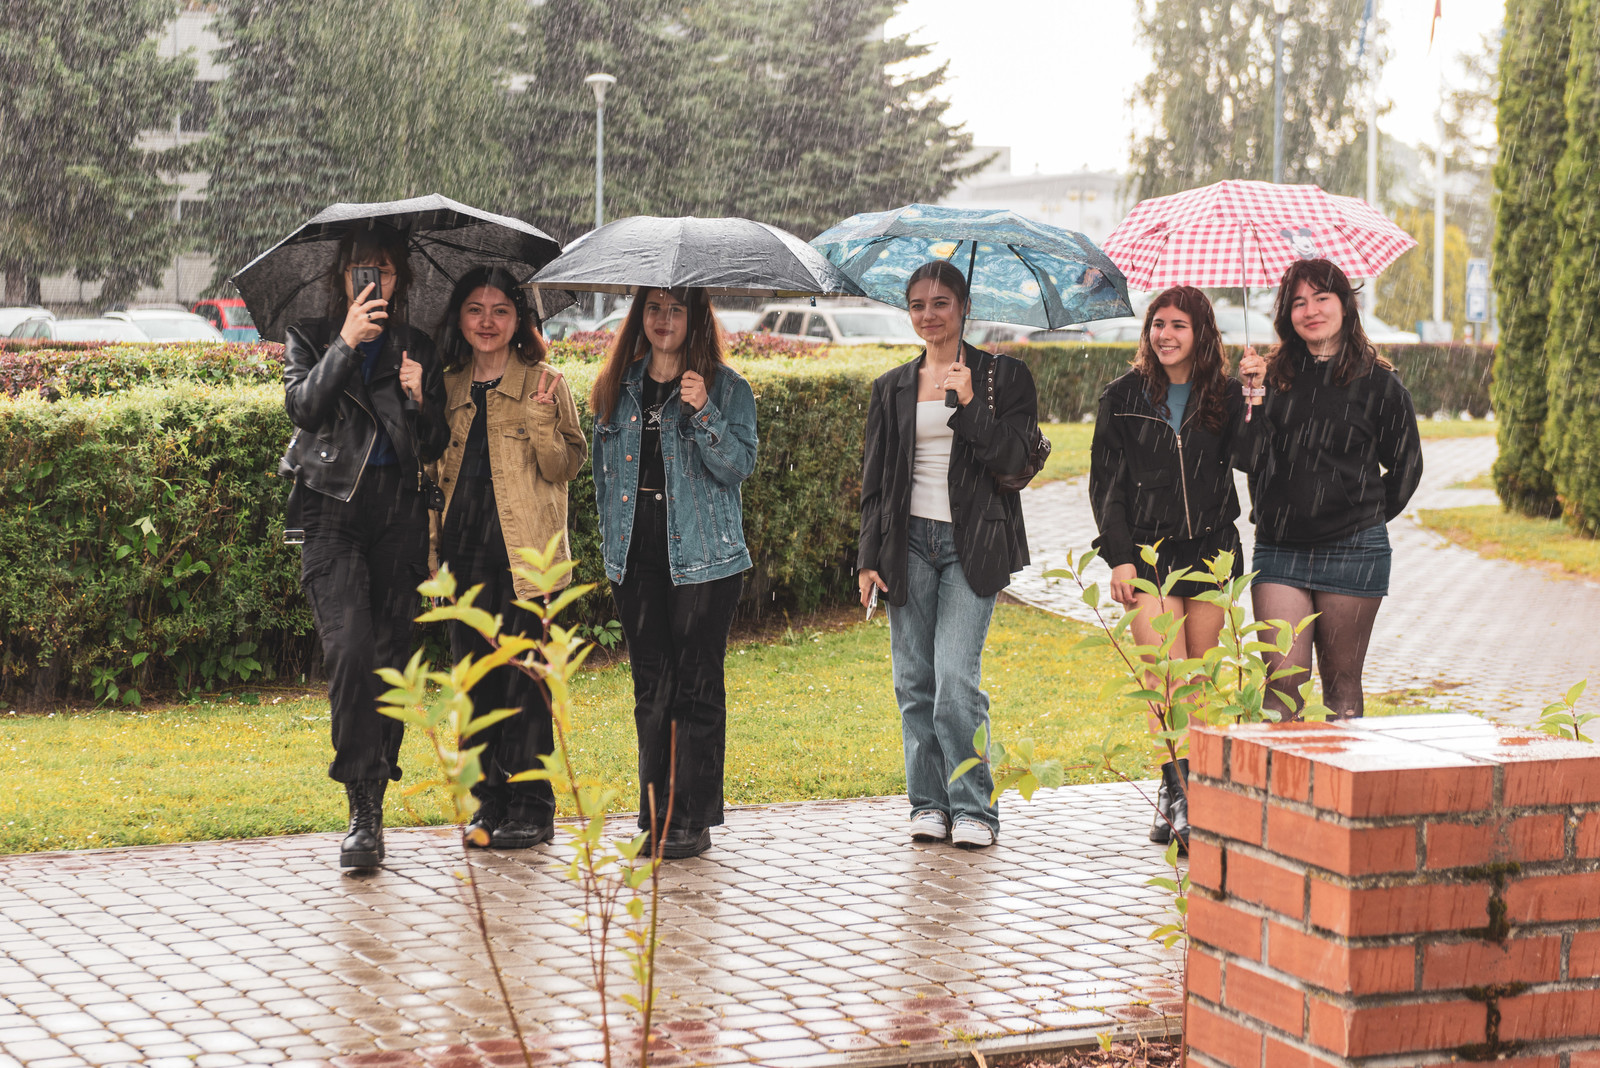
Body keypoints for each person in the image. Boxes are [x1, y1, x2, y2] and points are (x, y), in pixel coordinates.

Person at [281, 224, 449, 869]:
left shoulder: (417, 346)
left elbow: (432, 443)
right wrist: (347, 342)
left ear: (399, 278)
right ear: (342, 274)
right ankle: (359, 798)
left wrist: (419, 398)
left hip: (399, 514)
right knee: (350, 653)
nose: (372, 279)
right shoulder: (310, 336)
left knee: (389, 660)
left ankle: (370, 811)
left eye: (383, 268)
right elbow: (304, 407)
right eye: (361, 268)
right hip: (331, 513)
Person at [857, 259, 1038, 850]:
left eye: (940, 303)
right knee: (915, 682)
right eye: (917, 305)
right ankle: (929, 803)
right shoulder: (892, 387)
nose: (928, 315)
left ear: (964, 307)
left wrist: (971, 407)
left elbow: (1015, 462)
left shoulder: (1004, 377)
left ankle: (974, 808)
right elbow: (876, 481)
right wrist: (867, 558)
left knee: (956, 680)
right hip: (907, 543)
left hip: (972, 544)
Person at [590, 287, 757, 860]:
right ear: (641, 316)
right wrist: (613, 546)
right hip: (636, 552)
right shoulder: (617, 387)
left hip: (705, 556)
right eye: (654, 308)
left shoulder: (728, 388)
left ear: (696, 317)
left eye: (677, 309)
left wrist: (704, 410)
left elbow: (738, 466)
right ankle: (656, 815)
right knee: (652, 690)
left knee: (697, 687)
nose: (664, 320)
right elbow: (603, 478)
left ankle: (693, 818)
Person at [429, 267, 587, 849]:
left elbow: (565, 467)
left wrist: (542, 423)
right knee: (476, 685)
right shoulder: (447, 386)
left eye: (500, 310)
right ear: (460, 318)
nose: (487, 321)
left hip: (527, 561)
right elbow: (432, 475)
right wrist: (432, 553)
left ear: (520, 319)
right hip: (463, 557)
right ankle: (487, 804)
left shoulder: (546, 382)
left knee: (526, 684)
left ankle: (532, 806)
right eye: (475, 309)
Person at [1089, 286, 1244, 850]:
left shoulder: (1226, 394)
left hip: (1210, 550)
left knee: (1197, 677)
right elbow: (1106, 485)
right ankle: (1179, 795)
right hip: (1149, 555)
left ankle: (1188, 789)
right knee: (1164, 676)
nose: (1166, 335)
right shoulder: (1122, 396)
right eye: (1158, 323)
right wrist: (1120, 557)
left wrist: (1256, 399)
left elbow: (1251, 456)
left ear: (1202, 333)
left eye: (1179, 325)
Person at [1236, 258, 1423, 719]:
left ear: (1344, 304)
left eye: (1321, 298)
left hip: (1354, 552)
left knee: (1342, 688)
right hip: (1280, 551)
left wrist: (1362, 514)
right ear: (1287, 314)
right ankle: (1284, 771)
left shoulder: (1378, 383)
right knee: (1282, 690)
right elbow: (1247, 458)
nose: (1311, 310)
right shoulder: (1268, 377)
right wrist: (1252, 396)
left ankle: (1339, 771)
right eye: (1298, 302)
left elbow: (1407, 466)